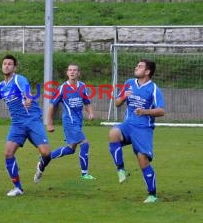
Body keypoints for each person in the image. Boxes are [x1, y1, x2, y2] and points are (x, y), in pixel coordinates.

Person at [0, 54, 53, 197]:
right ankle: (18, 188)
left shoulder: (19, 79)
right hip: (17, 124)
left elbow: (26, 90)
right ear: (2, 67)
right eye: (4, 64)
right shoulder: (1, 86)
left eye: (10, 64)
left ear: (14, 67)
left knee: (46, 153)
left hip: (32, 121)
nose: (7, 66)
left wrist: (28, 98)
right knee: (8, 153)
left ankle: (41, 166)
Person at [108, 59, 165, 203]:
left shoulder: (153, 89)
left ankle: (152, 194)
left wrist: (145, 111)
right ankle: (121, 170)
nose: (136, 67)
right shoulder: (129, 83)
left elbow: (161, 111)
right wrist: (123, 97)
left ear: (147, 72)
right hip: (128, 124)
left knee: (142, 160)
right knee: (113, 133)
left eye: (140, 66)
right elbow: (116, 103)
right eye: (137, 65)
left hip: (143, 129)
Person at [46, 63, 95, 180]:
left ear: (78, 73)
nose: (72, 72)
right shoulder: (63, 88)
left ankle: (46, 157)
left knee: (70, 149)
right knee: (85, 143)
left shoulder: (82, 86)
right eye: (70, 70)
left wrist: (90, 113)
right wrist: (49, 123)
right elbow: (52, 105)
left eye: (75, 70)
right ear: (67, 73)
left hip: (78, 121)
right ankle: (85, 174)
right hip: (69, 121)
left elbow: (87, 103)